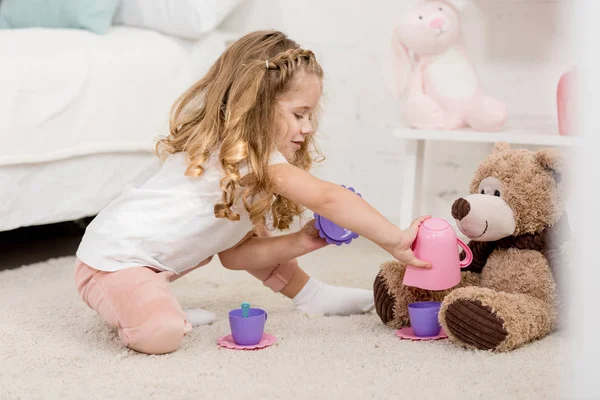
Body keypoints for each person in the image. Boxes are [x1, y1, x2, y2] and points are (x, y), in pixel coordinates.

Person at [74, 30, 431, 355]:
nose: (307, 128)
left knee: (248, 230)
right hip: (112, 264)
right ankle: (146, 307)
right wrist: (395, 240)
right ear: (258, 107)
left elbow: (235, 255)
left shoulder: (249, 164)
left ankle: (311, 295)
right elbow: (329, 198)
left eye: (311, 116)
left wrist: (301, 241)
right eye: (299, 114)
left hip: (153, 266)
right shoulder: (239, 156)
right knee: (161, 334)